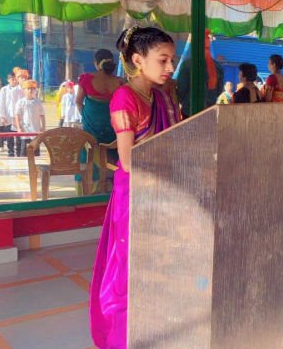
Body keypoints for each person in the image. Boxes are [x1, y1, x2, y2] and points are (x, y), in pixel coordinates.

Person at [90, 26, 181, 349]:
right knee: (131, 266)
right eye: (163, 60)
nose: (170, 67)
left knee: (161, 261)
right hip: (137, 194)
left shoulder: (162, 97)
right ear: (138, 60)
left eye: (172, 60)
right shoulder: (124, 97)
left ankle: (155, 328)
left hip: (163, 190)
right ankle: (125, 337)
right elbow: (128, 161)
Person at [78, 49, 123, 187]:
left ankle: (90, 188)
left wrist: (86, 117)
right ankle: (111, 186)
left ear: (96, 63)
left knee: (89, 155)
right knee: (113, 158)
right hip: (113, 130)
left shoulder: (86, 79)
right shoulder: (119, 82)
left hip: (91, 130)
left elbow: (78, 102)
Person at [13, 80, 45, 157]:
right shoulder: (21, 102)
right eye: (28, 89)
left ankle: (36, 163)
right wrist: (19, 128)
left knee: (36, 150)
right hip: (25, 130)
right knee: (24, 150)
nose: (31, 90)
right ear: (24, 90)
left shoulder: (38, 102)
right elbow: (17, 115)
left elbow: (42, 115)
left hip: (36, 129)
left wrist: (43, 127)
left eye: (33, 89)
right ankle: (23, 163)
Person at [0, 72, 18, 155]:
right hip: (8, 116)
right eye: (12, 79)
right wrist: (2, 116)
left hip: (18, 116)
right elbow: (1, 103)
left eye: (15, 79)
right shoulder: (4, 89)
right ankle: (11, 151)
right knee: (9, 135)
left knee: (19, 135)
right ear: (8, 80)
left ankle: (19, 151)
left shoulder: (20, 89)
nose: (14, 81)